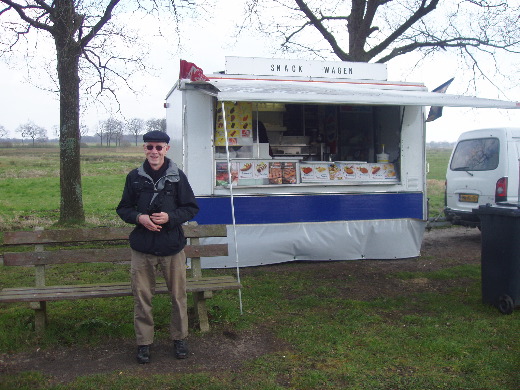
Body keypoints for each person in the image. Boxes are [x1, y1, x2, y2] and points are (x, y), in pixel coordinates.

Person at [116, 130, 199, 364]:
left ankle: (179, 338)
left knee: (178, 296)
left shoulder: (178, 177)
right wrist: (139, 217)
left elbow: (191, 208)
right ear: (144, 149)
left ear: (166, 149)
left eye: (158, 147)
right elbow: (123, 209)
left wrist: (170, 217)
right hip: (142, 248)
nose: (154, 151)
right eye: (149, 147)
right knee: (142, 297)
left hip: (172, 247)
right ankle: (144, 343)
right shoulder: (134, 177)